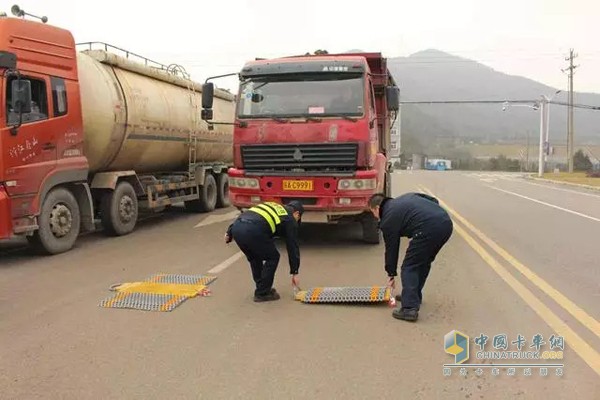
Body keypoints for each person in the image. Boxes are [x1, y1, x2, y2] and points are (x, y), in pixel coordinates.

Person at [368, 192, 453, 322]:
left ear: (377, 208)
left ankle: (409, 309)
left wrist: (391, 274)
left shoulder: (388, 219)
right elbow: (433, 200)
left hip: (427, 229)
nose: (375, 216)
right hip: (445, 223)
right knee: (423, 262)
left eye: (372, 212)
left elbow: (392, 249)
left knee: (409, 267)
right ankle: (413, 296)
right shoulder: (405, 198)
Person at [225, 200, 304, 302]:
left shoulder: (274, 206)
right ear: (297, 213)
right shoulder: (290, 219)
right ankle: (262, 293)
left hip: (237, 227)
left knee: (254, 257)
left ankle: (261, 287)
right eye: (298, 219)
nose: (296, 222)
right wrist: (295, 272)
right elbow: (292, 246)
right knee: (273, 257)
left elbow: (250, 214)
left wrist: (229, 232)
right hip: (253, 230)